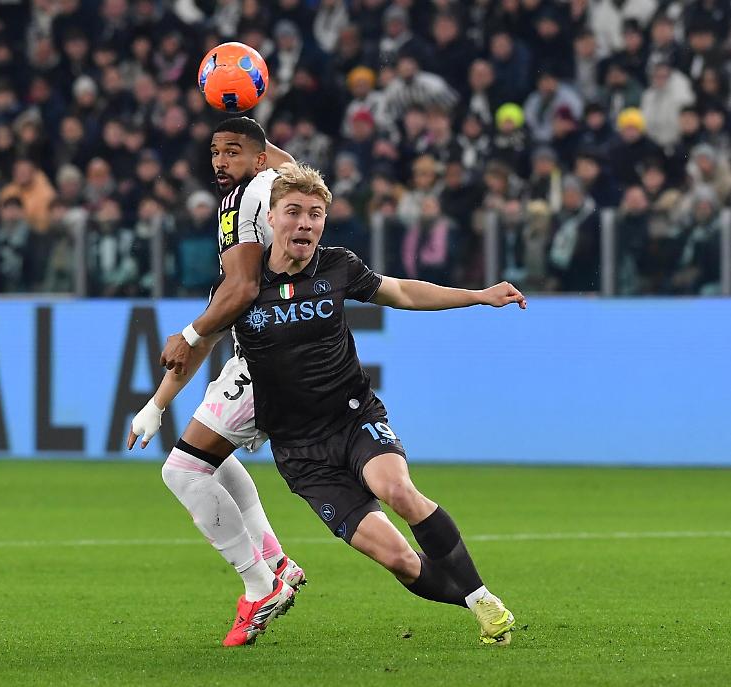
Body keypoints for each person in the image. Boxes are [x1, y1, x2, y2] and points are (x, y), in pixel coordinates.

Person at [231, 162, 524, 645]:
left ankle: (483, 599)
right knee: (400, 560)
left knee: (398, 491)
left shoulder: (337, 266)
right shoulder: (243, 282)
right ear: (271, 217)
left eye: (315, 214)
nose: (305, 223)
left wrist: (477, 295)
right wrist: (159, 402)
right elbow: (202, 337)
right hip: (301, 453)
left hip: (352, 418)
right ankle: (471, 600)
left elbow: (403, 291)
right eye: (294, 212)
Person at [126, 118, 303, 647]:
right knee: (213, 458)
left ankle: (260, 585)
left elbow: (238, 293)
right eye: (214, 152)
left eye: (232, 152)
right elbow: (221, 315)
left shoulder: (245, 201)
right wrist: (157, 405)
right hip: (269, 352)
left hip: (272, 359)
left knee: (181, 472)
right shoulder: (275, 187)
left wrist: (188, 333)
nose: (220, 162)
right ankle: (275, 560)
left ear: (257, 160)